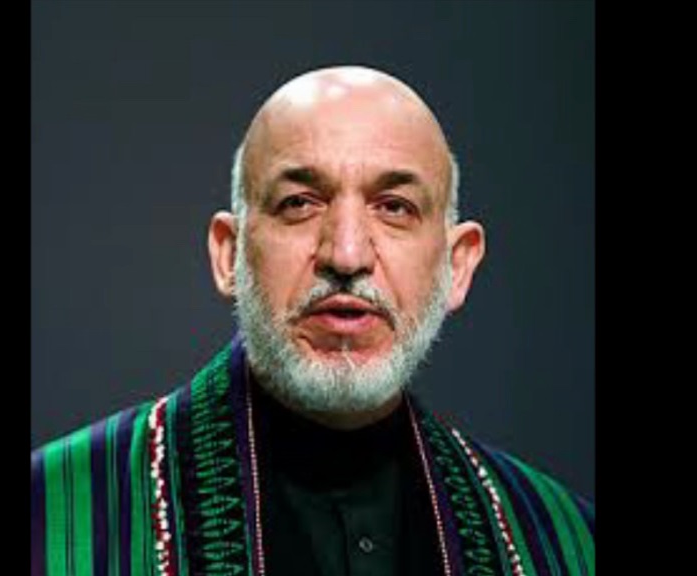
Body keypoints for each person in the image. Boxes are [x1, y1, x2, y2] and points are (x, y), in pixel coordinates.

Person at [31, 66, 594, 576]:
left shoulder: (569, 544)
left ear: (457, 265)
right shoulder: (47, 516)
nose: (346, 255)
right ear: (229, 255)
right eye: (300, 203)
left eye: (394, 207)